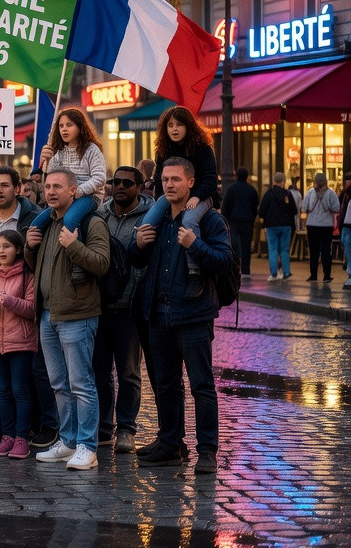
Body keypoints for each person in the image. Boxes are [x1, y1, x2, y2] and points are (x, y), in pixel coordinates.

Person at [130, 157, 236, 474]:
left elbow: (224, 262)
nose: (170, 185)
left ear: (190, 182)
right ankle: (170, 442)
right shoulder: (159, 220)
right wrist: (136, 245)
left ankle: (207, 451)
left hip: (193, 314)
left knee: (201, 386)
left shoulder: (209, 221)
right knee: (165, 384)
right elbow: (136, 261)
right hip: (158, 313)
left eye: (176, 179)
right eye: (165, 179)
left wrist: (195, 245)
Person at [25, 169, 110, 471]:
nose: (50, 191)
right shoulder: (48, 223)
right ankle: (68, 440)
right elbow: (38, 267)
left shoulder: (90, 222)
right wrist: (29, 247)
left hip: (78, 315)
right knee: (59, 383)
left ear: (74, 191)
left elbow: (101, 264)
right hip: (48, 314)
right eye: (47, 186)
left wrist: (74, 245)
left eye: (57, 186)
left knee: (81, 383)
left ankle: (87, 446)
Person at [96, 166, 152, 454]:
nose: (119, 186)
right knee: (100, 371)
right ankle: (104, 427)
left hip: (130, 305)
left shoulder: (149, 215)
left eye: (126, 183)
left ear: (139, 187)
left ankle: (127, 429)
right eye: (115, 181)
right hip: (101, 304)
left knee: (129, 372)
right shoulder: (101, 213)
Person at [0, 230, 37, 459]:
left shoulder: (26, 274)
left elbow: (32, 308)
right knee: (3, 391)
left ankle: (22, 437)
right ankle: (7, 435)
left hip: (20, 341)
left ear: (19, 249)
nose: (2, 251)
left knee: (20, 390)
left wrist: (10, 302)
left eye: (7, 247)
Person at [140, 106, 219, 274]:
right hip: (171, 196)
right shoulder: (163, 150)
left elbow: (210, 178)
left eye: (179, 124)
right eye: (170, 125)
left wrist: (197, 197)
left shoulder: (203, 148)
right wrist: (161, 201)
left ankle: (194, 268)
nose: (174, 129)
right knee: (148, 220)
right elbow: (159, 179)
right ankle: (146, 262)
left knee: (189, 221)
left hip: (201, 196)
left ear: (188, 126)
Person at [30, 108, 107, 246]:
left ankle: (77, 254)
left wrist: (78, 191)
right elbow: (52, 177)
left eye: (69, 125)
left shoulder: (91, 149)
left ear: (80, 127)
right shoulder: (58, 151)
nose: (64, 129)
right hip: (64, 197)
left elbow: (100, 178)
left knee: (70, 219)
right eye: (61, 126)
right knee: (35, 225)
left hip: (90, 196)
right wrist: (46, 161)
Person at [257, 172, 297, 281]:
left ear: (274, 181)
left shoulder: (268, 194)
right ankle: (286, 272)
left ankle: (274, 273)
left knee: (273, 249)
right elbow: (294, 210)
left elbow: (261, 211)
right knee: (284, 249)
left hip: (271, 226)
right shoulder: (287, 194)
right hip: (286, 226)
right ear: (283, 182)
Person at [221, 167, 260, 277]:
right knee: (246, 246)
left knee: (233, 244)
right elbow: (255, 205)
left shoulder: (231, 189)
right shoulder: (251, 190)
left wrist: (225, 219)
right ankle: (246, 270)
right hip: (248, 221)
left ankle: (234, 268)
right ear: (247, 176)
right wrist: (252, 217)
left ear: (236, 176)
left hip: (234, 221)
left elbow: (226, 206)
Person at [302, 172, 340, 282]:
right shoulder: (331, 193)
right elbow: (337, 208)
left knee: (313, 251)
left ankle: (313, 275)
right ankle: (326, 276)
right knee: (325, 251)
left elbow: (304, 207)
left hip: (312, 225)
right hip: (326, 226)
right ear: (325, 182)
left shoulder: (309, 192)